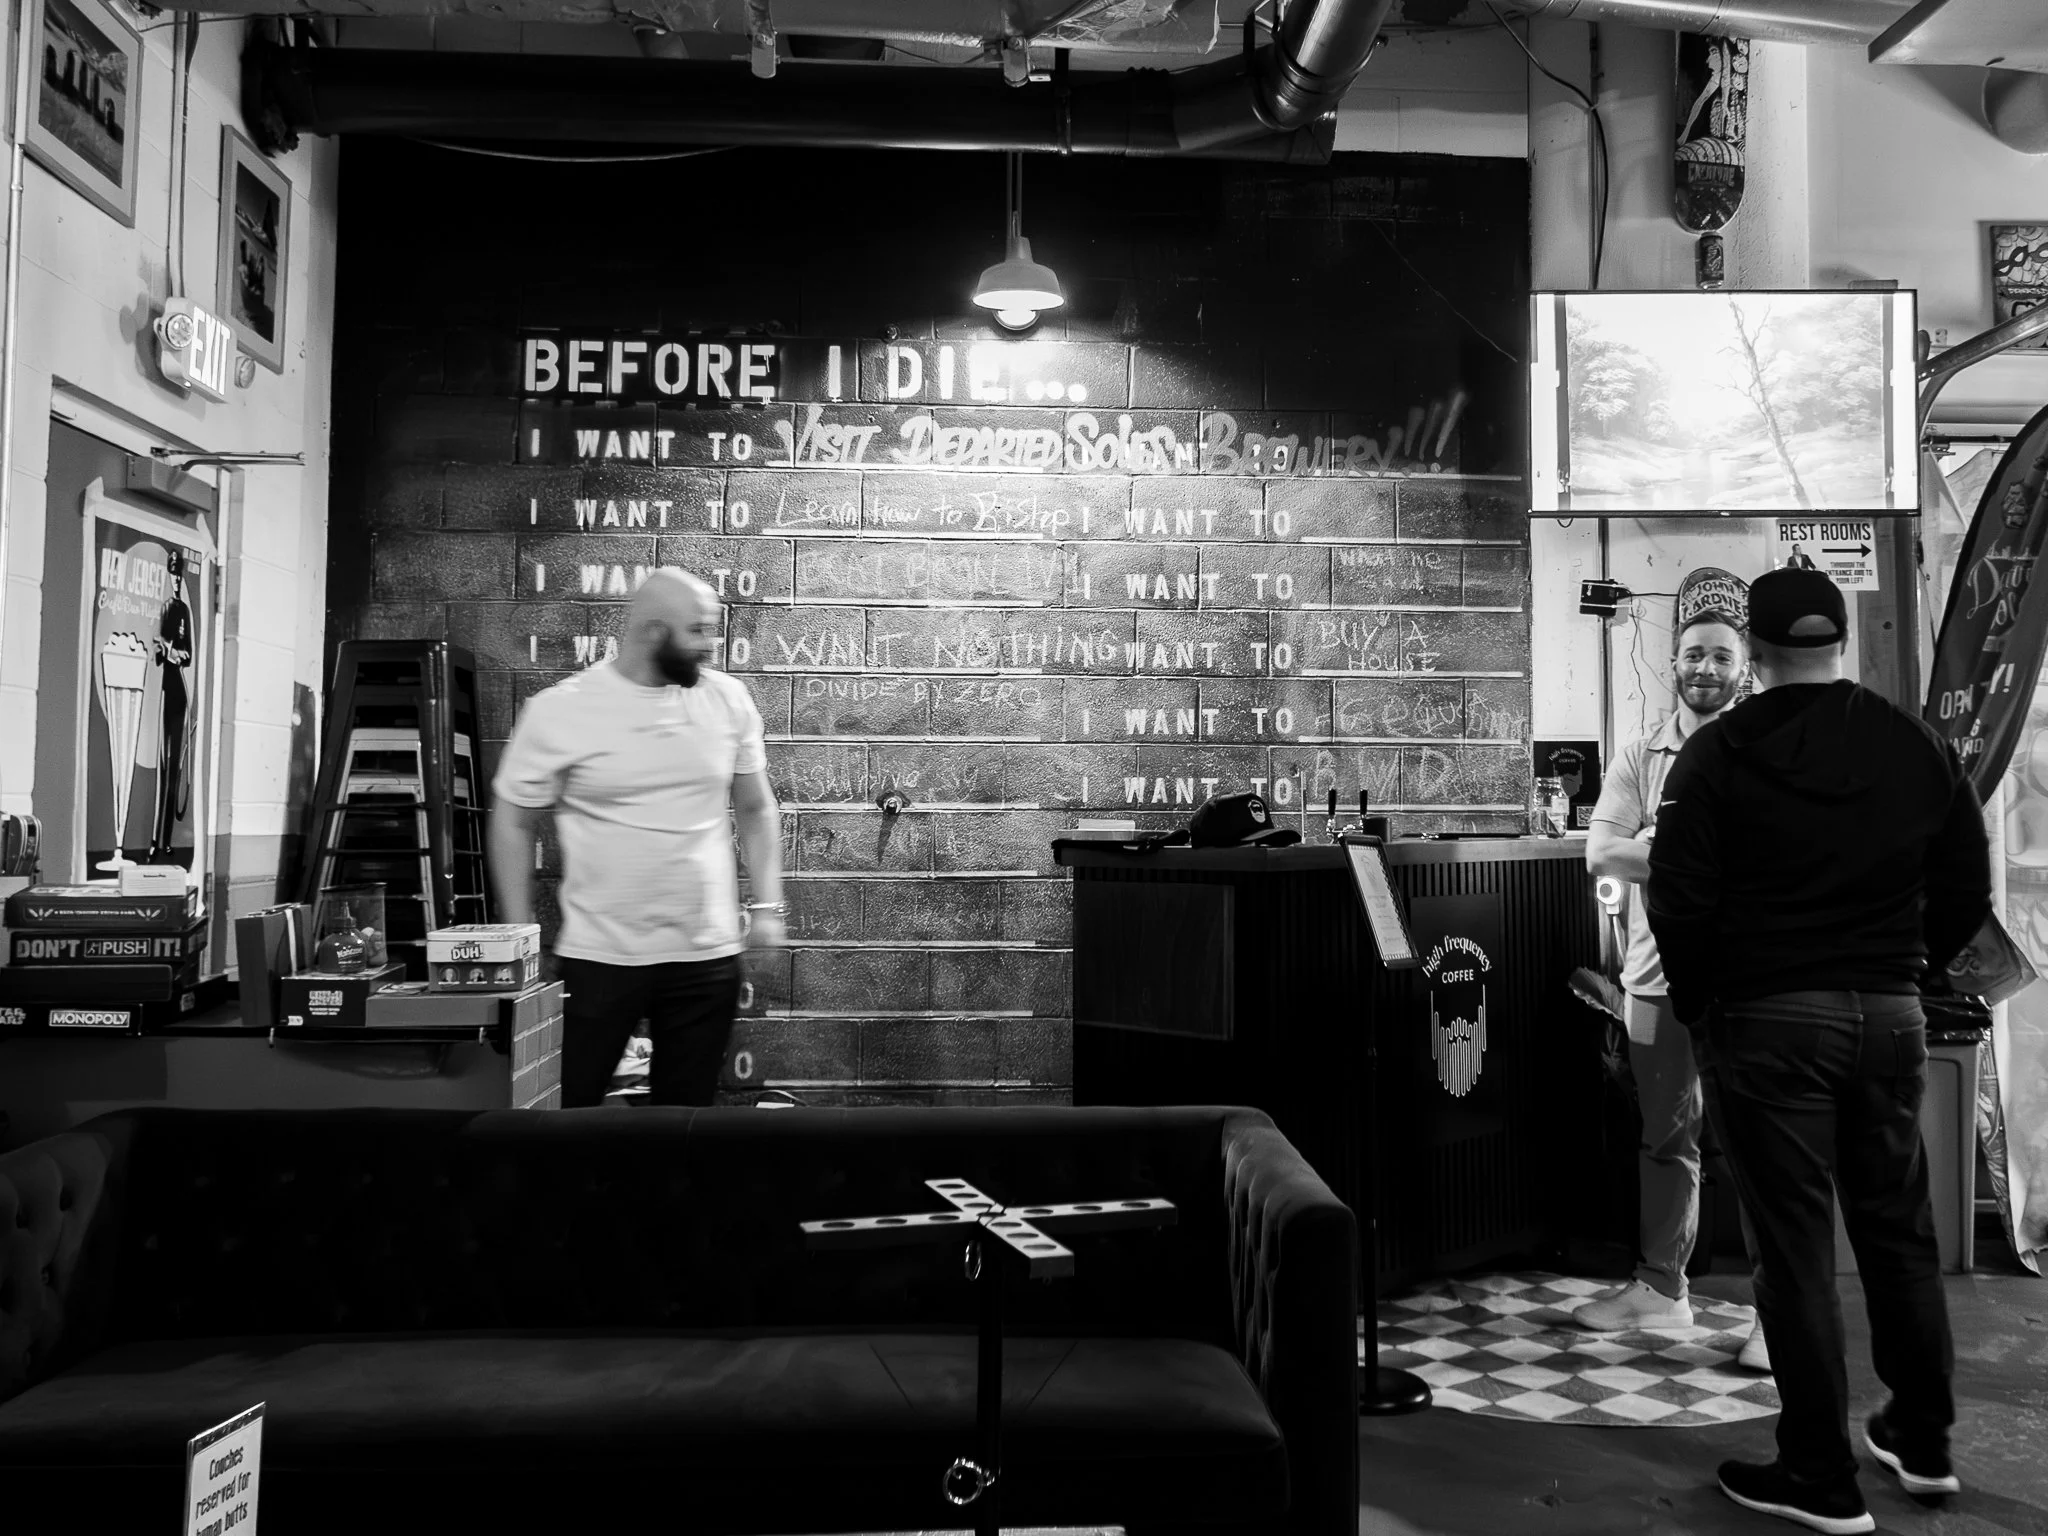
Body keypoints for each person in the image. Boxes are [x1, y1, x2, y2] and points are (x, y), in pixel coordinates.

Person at [1648, 568, 1991, 1534]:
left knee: (1794, 1251)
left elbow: (1678, 898)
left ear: (1753, 652)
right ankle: (1923, 1443)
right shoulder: (1915, 744)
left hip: (1767, 1024)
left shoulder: (1716, 753)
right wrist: (1909, 970)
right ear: (1840, 642)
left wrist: (1702, 1005)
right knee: (1900, 1234)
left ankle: (1818, 1475)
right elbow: (1967, 886)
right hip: (1891, 1018)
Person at [490, 568, 787, 1107]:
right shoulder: (563, 708)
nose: (710, 644)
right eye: (697, 630)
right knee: (563, 1113)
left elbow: (756, 806)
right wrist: (520, 937)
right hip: (599, 957)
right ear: (653, 633)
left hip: (705, 958)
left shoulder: (727, 700)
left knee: (684, 1126)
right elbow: (512, 817)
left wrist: (767, 906)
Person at [1578, 609, 1766, 1372]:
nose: (1705, 668)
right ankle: (1662, 1289)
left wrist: (1659, 848)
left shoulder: (1760, 751)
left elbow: (1767, 860)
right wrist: (1697, 858)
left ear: (1744, 668)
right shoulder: (1641, 754)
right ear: (1674, 663)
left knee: (1761, 1149)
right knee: (1665, 1139)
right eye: (1693, 655)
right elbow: (1601, 854)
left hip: (1746, 985)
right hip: (1654, 983)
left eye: (1721, 656)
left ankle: (1775, 1317)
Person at [147, 548, 193, 863]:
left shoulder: (183, 610)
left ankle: (165, 841)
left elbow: (187, 653)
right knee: (162, 767)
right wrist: (167, 651)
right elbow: (157, 651)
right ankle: (155, 839)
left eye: (179, 575)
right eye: (172, 574)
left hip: (178, 691)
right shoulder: (163, 608)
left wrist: (175, 653)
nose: (176, 580)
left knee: (174, 768)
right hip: (162, 688)